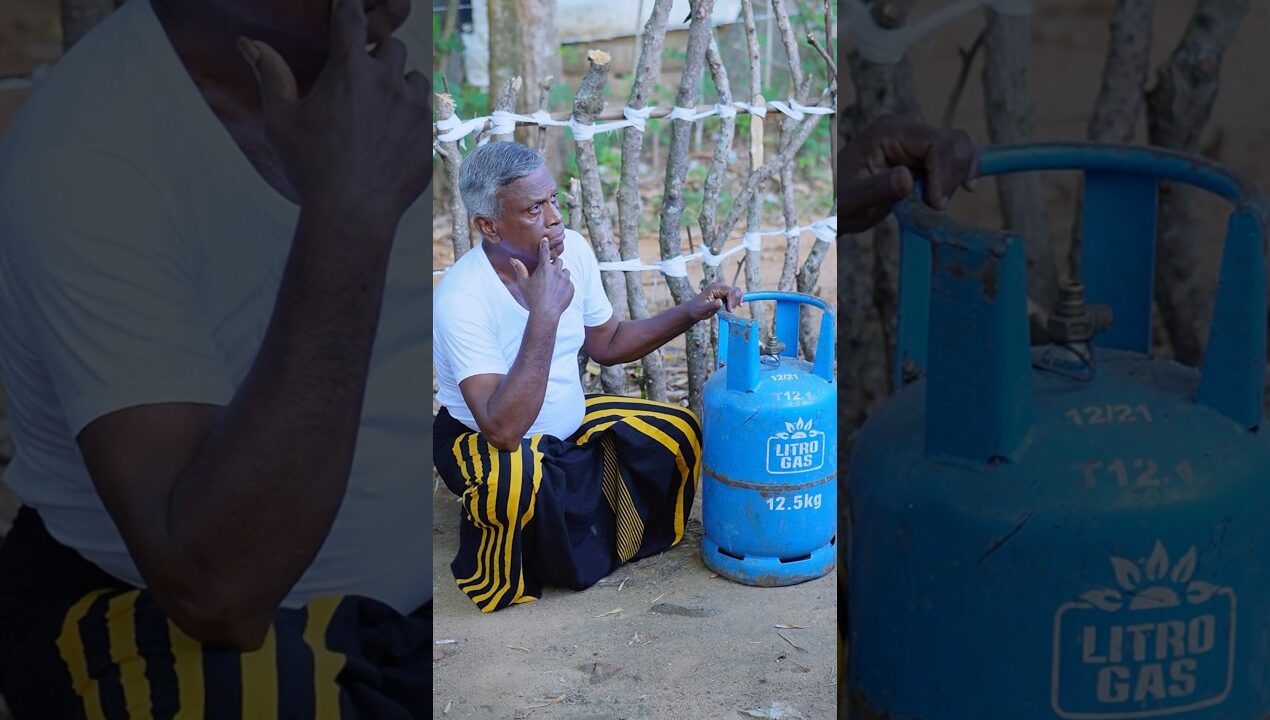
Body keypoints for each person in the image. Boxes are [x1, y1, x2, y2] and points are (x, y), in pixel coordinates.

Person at [0, 0, 430, 716]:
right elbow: (219, 592)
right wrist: (349, 215)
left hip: (416, 618)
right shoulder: (87, 159)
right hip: (192, 628)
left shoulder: (390, 46)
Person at [432, 118, 977, 614]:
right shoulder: (463, 296)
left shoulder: (569, 248)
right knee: (516, 479)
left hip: (568, 426)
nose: (554, 221)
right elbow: (502, 429)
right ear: (489, 227)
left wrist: (693, 309)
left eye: (554, 202)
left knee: (678, 435)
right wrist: (544, 316)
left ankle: (578, 530)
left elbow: (608, 341)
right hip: (485, 439)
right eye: (534, 210)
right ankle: (518, 561)